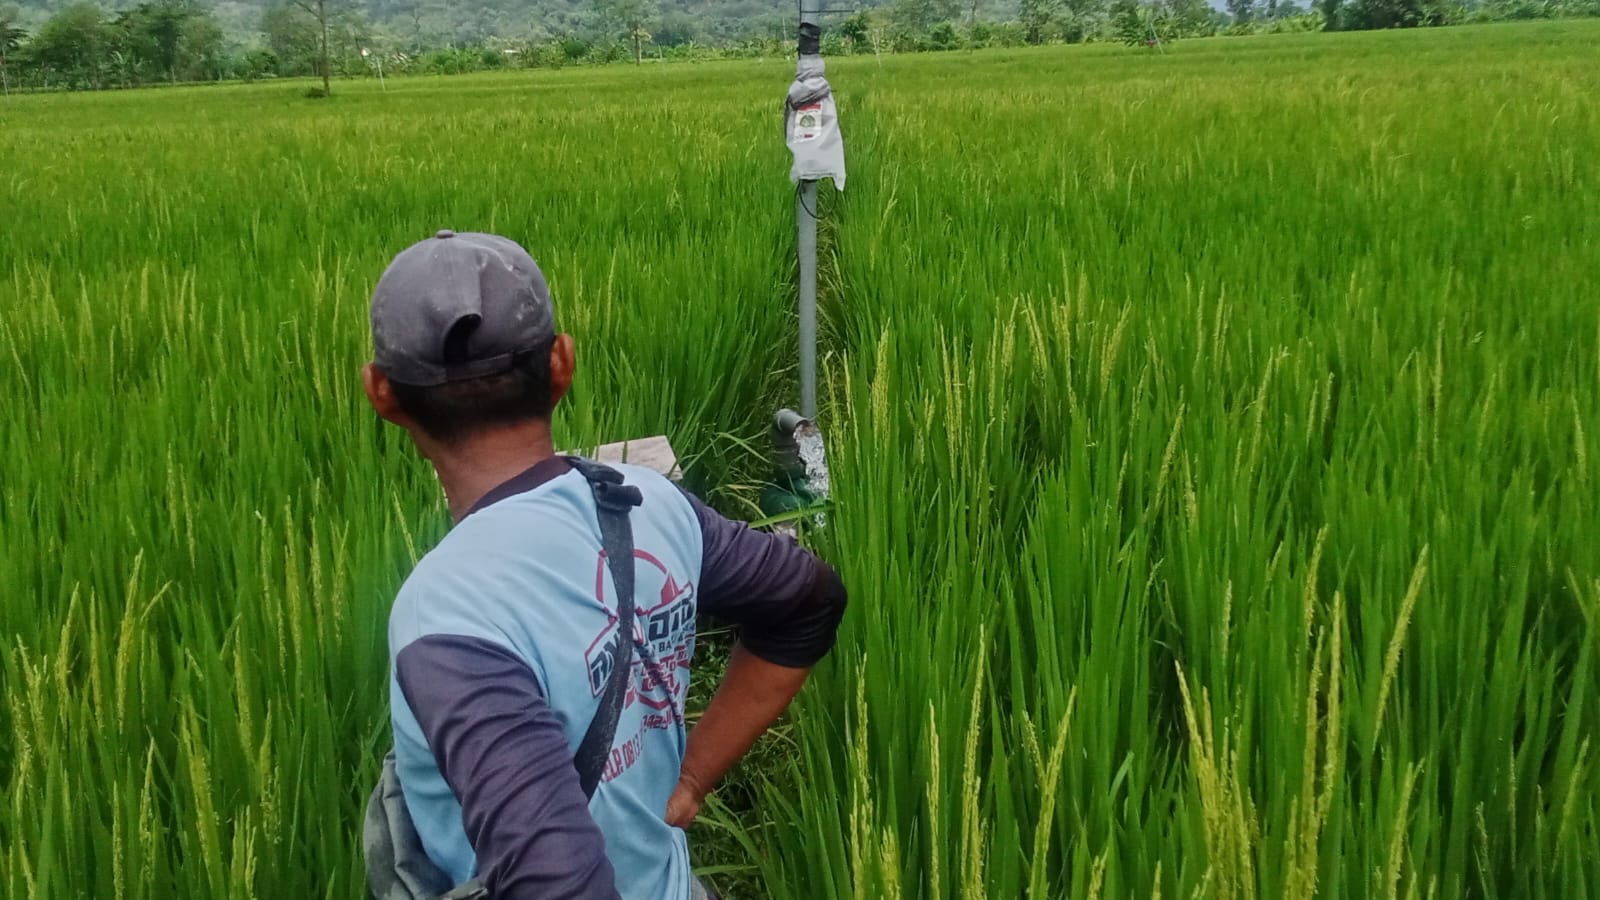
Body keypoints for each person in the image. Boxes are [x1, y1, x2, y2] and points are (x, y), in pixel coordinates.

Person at [361, 230, 847, 900]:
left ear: (381, 393)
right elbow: (809, 599)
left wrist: (695, 775)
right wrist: (693, 778)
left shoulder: (447, 610)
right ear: (562, 364)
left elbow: (554, 883)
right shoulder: (648, 502)